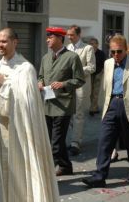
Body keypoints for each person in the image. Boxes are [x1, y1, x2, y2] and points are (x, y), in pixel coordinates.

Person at [0, 28, 59, 201]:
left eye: (4, 41)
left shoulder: (25, 69)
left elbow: (27, 102)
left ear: (14, 42)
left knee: (18, 171)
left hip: (17, 129)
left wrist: (3, 84)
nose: (0, 45)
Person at [82, 34, 129, 188]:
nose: (116, 55)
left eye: (119, 51)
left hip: (128, 105)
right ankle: (99, 176)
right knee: (104, 141)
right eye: (113, 51)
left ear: (126, 50)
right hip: (110, 105)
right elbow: (105, 87)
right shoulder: (108, 63)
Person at [38, 27, 85, 176]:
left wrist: (64, 84)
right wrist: (39, 82)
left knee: (55, 143)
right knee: (52, 140)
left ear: (59, 38)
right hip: (47, 104)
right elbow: (40, 76)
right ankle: (65, 166)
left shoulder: (72, 57)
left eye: (50, 37)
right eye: (47, 37)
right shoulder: (45, 57)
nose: (47, 40)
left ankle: (46, 173)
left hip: (63, 106)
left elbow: (80, 80)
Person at [66, 25, 96, 156]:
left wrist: (77, 70)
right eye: (68, 35)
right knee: (69, 114)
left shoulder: (87, 48)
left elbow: (92, 67)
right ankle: (75, 136)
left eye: (71, 35)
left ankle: (75, 142)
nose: (69, 37)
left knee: (78, 114)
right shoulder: (67, 48)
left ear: (78, 35)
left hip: (81, 87)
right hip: (68, 86)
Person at [88, 37, 106, 116]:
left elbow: (104, 63)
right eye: (90, 43)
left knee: (95, 92)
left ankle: (93, 109)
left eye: (93, 43)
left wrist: (102, 71)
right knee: (90, 92)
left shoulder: (101, 53)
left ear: (97, 44)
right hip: (89, 74)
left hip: (98, 73)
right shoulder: (88, 52)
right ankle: (94, 106)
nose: (92, 45)